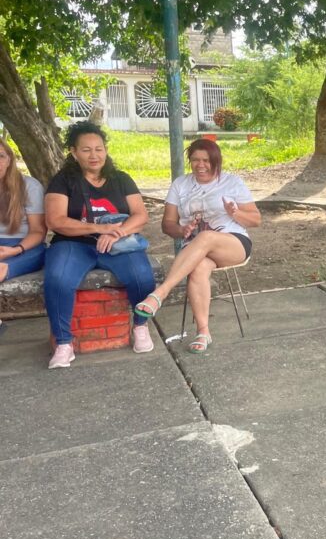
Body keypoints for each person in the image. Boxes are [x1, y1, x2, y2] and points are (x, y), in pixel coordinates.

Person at [43, 122, 156, 369]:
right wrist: (99, 228)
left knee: (142, 275)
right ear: (73, 152)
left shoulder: (121, 179)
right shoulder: (63, 180)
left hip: (118, 244)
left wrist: (118, 232)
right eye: (86, 150)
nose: (94, 155)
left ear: (106, 150)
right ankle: (63, 343)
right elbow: (55, 221)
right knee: (58, 279)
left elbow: (140, 215)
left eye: (99, 149)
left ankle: (140, 326)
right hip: (73, 243)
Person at [133, 138, 260, 354]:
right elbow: (167, 225)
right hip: (195, 251)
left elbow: (256, 220)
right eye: (195, 160)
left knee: (207, 237)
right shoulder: (180, 185)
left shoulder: (232, 182)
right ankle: (203, 332)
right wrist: (182, 231)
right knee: (199, 268)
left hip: (233, 243)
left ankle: (161, 293)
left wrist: (234, 213)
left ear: (216, 161)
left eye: (206, 160)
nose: (200, 165)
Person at [0, 137, 47, 283]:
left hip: (23, 245)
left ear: (9, 160)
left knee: (38, 251)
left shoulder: (30, 186)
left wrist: (16, 249)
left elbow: (38, 231)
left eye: (1, 156)